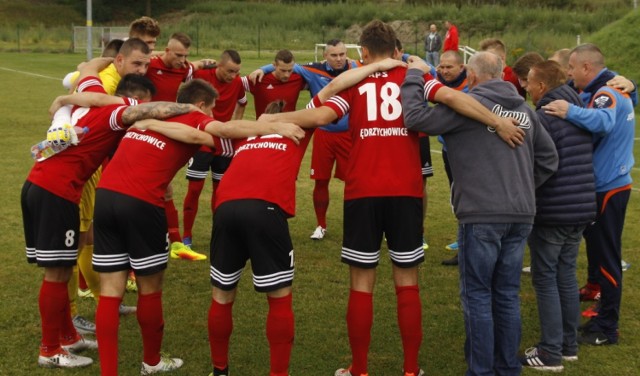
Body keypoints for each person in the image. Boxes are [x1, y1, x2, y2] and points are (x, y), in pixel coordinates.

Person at [260, 20, 524, 376]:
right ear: (396, 50)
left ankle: (360, 369)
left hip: (363, 192)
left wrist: (269, 120)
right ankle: (411, 370)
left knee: (361, 282)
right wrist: (498, 121)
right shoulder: (414, 77)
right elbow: (454, 97)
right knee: (407, 280)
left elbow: (320, 114)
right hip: (406, 192)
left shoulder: (355, 82)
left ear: (364, 53)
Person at [86, 78, 302, 376]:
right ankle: (151, 362)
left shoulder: (149, 115)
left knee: (111, 291)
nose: (212, 117)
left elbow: (111, 110)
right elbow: (224, 131)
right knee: (150, 288)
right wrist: (271, 126)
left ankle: (108, 372)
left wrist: (151, 125)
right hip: (142, 201)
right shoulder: (198, 120)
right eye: (212, 110)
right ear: (201, 105)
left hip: (106, 196)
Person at [208, 59, 405, 376]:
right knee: (279, 297)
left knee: (222, 294)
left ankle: (219, 370)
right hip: (265, 209)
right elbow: (335, 86)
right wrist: (381, 64)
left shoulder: (245, 135)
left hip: (225, 207)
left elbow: (216, 129)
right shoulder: (295, 128)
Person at [22, 57, 201, 369]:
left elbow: (88, 69)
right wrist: (192, 110)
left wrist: (103, 60)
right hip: (57, 190)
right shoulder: (120, 111)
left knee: (62, 268)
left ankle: (67, 336)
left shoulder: (90, 91)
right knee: (57, 274)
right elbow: (151, 111)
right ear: (135, 98)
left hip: (39, 183)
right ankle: (50, 349)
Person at [402, 51, 559, 376]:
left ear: (471, 77)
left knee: (477, 294)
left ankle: (482, 370)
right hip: (520, 214)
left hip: (482, 214)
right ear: (502, 75)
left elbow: (415, 118)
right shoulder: (526, 110)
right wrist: (521, 187)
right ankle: (506, 367)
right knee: (506, 293)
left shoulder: (465, 108)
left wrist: (414, 77)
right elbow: (548, 160)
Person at [543, 43, 635, 346]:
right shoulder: (604, 88)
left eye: (572, 67)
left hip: (608, 186)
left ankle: (607, 326)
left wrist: (569, 111)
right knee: (597, 249)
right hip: (610, 182)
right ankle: (595, 287)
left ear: (586, 68)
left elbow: (605, 122)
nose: (569, 74)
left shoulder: (606, 92)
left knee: (608, 255)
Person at [519, 60, 596, 371]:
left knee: (546, 278)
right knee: (565, 275)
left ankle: (551, 351)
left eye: (529, 83)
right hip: (580, 206)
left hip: (554, 209)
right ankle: (567, 344)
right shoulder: (578, 111)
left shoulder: (545, 116)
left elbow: (538, 163)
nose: (525, 88)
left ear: (541, 87)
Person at [250, 39, 359, 241]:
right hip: (323, 133)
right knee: (320, 181)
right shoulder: (313, 70)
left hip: (349, 134)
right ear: (325, 56)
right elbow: (287, 66)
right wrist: (260, 68)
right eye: (334, 55)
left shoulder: (356, 67)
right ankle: (321, 225)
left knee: (355, 182)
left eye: (342, 54)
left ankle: (356, 225)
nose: (339, 59)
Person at [145, 31, 215, 261]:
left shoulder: (185, 69)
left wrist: (206, 61)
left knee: (165, 187)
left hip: (167, 132)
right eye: (178, 55)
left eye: (185, 56)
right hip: (143, 128)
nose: (182, 60)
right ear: (165, 51)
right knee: (149, 190)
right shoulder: (148, 64)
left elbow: (194, 66)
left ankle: (175, 242)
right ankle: (165, 243)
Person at [183, 50, 246, 251]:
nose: (233, 76)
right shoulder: (202, 77)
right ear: (218, 65)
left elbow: (242, 102)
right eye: (229, 71)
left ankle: (219, 233)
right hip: (201, 140)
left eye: (236, 72)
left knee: (221, 191)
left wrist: (234, 124)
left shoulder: (237, 84)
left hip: (224, 143)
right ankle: (187, 236)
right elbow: (183, 76)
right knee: (194, 189)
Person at [434, 50, 469, 266]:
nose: (445, 71)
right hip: (449, 151)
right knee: (457, 198)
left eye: (450, 67)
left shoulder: (468, 88)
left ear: (462, 68)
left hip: (466, 153)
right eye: (442, 67)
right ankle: (464, 245)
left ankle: (467, 250)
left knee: (467, 200)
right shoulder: (437, 82)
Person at [241, 49, 306, 117]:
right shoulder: (259, 79)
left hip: (288, 127)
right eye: (283, 70)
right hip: (264, 127)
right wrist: (242, 102)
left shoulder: (298, 79)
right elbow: (236, 84)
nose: (287, 75)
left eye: (290, 70)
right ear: (274, 65)